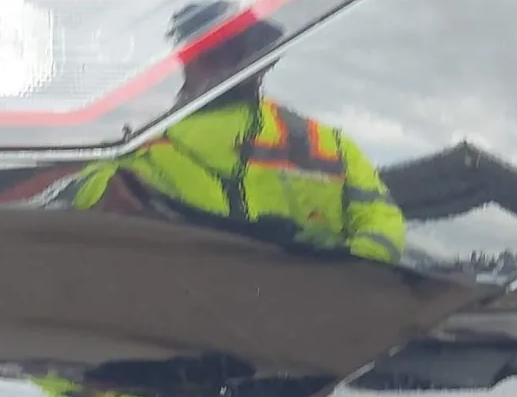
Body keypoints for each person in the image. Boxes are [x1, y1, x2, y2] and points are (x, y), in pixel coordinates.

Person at [68, 15, 405, 265]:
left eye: (238, 49)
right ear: (186, 57)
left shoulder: (131, 141)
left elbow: (384, 232)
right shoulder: (131, 143)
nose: (228, 62)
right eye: (212, 50)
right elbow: (80, 195)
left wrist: (327, 277)